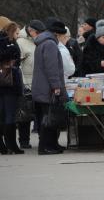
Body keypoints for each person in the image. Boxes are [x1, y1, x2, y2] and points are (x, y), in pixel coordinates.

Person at [32, 19, 67, 155]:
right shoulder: (50, 44)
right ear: (57, 34)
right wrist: (56, 86)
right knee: (49, 119)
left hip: (41, 87)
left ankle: (52, 145)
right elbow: (51, 68)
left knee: (48, 117)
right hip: (48, 89)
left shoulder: (42, 43)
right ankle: (45, 147)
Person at [16, 20, 46, 147]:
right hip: (26, 82)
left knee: (39, 112)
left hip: (38, 82)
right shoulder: (20, 42)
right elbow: (18, 65)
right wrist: (22, 83)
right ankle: (24, 141)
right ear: (31, 31)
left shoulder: (39, 41)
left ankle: (42, 139)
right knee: (25, 114)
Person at [0, 22, 25, 154]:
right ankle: (11, 145)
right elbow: (14, 59)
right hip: (9, 83)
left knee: (2, 115)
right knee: (10, 115)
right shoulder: (9, 43)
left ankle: (3, 146)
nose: (18, 34)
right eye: (16, 32)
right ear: (11, 32)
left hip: (2, 83)